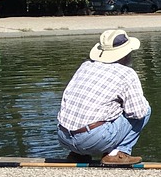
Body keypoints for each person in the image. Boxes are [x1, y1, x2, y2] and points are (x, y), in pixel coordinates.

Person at [56, 28, 152, 166]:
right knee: (145, 109)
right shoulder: (127, 73)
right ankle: (117, 153)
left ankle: (77, 155)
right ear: (125, 54)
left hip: (63, 137)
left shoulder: (85, 66)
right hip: (92, 139)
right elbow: (138, 112)